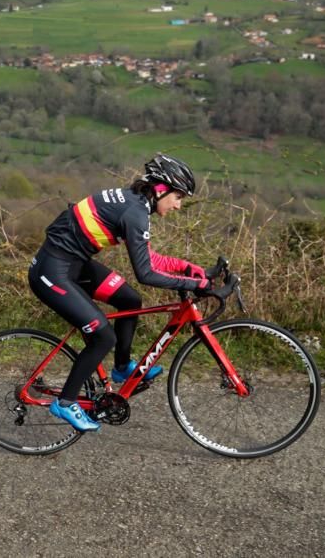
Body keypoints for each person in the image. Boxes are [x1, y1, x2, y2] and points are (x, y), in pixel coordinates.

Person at [28, 154, 209, 432]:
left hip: (73, 264)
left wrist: (186, 268)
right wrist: (193, 285)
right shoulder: (134, 213)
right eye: (178, 197)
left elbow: (149, 259)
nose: (178, 205)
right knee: (103, 336)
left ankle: (122, 367)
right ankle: (64, 402)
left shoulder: (134, 203)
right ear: (161, 189)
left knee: (129, 299)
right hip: (52, 272)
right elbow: (145, 274)